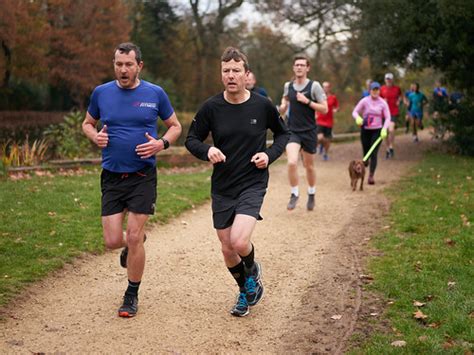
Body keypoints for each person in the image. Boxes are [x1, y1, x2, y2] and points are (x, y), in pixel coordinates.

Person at [185, 47, 289, 317]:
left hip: (252, 182)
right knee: (227, 247)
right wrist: (207, 150)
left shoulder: (262, 105)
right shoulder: (211, 107)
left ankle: (252, 270)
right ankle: (245, 290)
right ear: (222, 74)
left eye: (236, 71)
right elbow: (191, 139)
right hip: (223, 185)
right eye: (226, 71)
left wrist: (268, 155)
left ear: (246, 74)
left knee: (240, 242)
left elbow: (282, 135)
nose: (231, 75)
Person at [82, 42, 182, 318]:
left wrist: (161, 144)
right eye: (118, 64)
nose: (122, 69)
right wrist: (95, 136)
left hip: (142, 175)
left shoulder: (155, 94)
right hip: (112, 175)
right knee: (114, 240)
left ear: (139, 65)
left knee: (134, 236)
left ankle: (131, 294)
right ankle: (132, 243)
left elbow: (175, 126)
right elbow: (87, 123)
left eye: (128, 64)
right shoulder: (101, 93)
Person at [278, 54, 328, 211]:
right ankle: (294, 193)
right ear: (293, 68)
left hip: (309, 131)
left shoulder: (314, 86)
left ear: (308, 68)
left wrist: (308, 102)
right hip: (292, 130)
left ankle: (311, 193)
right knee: (292, 162)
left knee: (309, 166)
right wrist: (283, 106)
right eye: (296, 65)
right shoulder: (288, 86)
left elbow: (325, 109)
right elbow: (284, 100)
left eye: (302, 65)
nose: (299, 67)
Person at [352, 81, 391, 185]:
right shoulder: (364, 101)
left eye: (377, 89)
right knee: (366, 153)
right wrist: (358, 118)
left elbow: (388, 117)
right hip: (365, 130)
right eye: (373, 89)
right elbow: (355, 112)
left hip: (377, 131)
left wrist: (384, 129)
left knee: (374, 153)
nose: (375, 91)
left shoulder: (383, 103)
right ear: (370, 90)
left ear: (379, 91)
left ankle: (371, 176)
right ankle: (366, 162)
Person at [380, 73, 402, 159]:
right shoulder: (382, 89)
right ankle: (388, 148)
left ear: (392, 80)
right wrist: (382, 100)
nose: (388, 80)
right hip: (383, 113)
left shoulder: (397, 88)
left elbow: (400, 96)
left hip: (393, 112)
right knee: (385, 133)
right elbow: (377, 99)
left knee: (391, 129)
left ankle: (391, 146)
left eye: (389, 79)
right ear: (385, 80)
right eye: (387, 79)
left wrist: (399, 101)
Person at [316, 81, 339, 161]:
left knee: (328, 139)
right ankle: (322, 145)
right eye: (323, 87)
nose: (325, 88)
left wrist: (335, 110)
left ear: (329, 88)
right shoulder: (318, 97)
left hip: (329, 121)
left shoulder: (333, 97)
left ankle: (325, 153)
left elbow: (336, 106)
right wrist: (315, 113)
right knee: (319, 137)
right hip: (320, 120)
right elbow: (315, 105)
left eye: (326, 87)